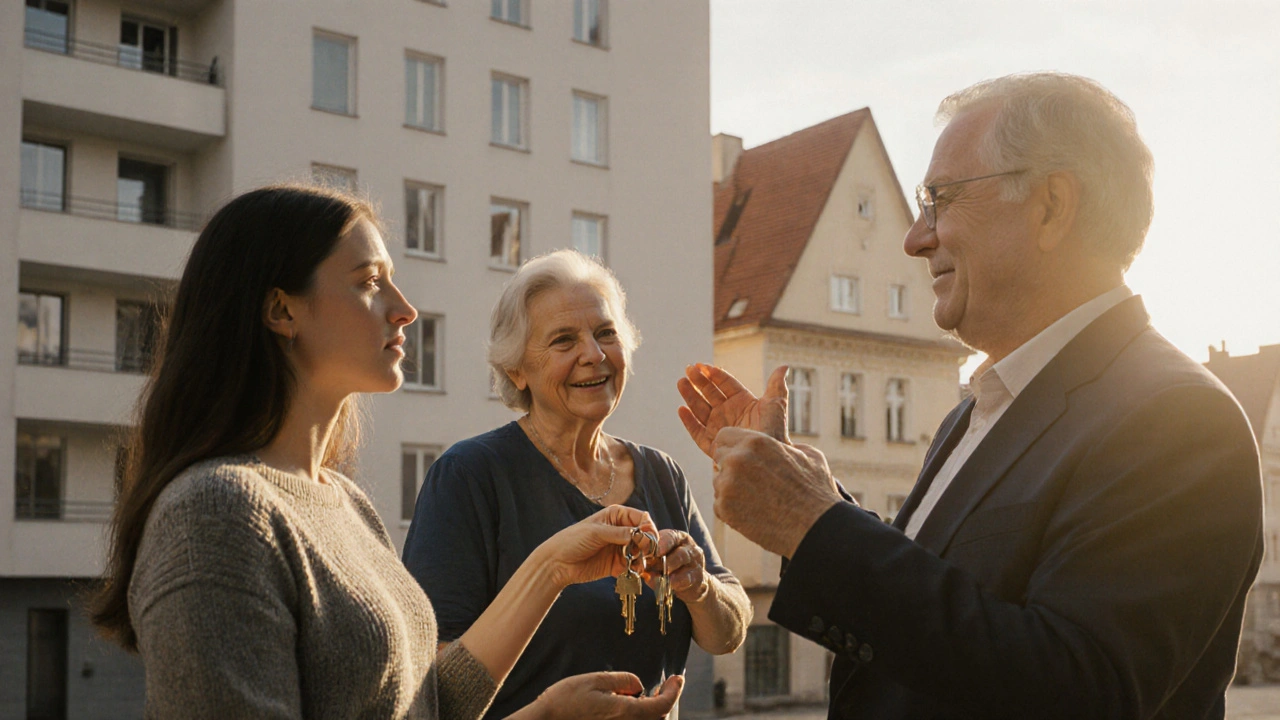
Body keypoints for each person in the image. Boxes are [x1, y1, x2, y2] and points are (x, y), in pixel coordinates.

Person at [678, 73, 1264, 719]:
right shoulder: (984, 406)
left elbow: (1083, 688)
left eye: (942, 199)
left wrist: (815, 526)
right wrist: (811, 497)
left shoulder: (1175, 416)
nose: (915, 238)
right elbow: (950, 601)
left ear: (1050, 206)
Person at [89, 185, 684, 719]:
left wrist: (552, 573)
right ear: (281, 309)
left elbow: (422, 708)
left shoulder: (344, 502)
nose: (405, 307)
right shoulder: (214, 513)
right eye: (370, 282)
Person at [403, 249, 751, 718]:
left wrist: (698, 585)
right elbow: (430, 684)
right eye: (564, 341)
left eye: (606, 333)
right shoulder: (469, 476)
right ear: (516, 370)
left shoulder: (662, 473)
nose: (594, 354)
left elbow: (727, 633)